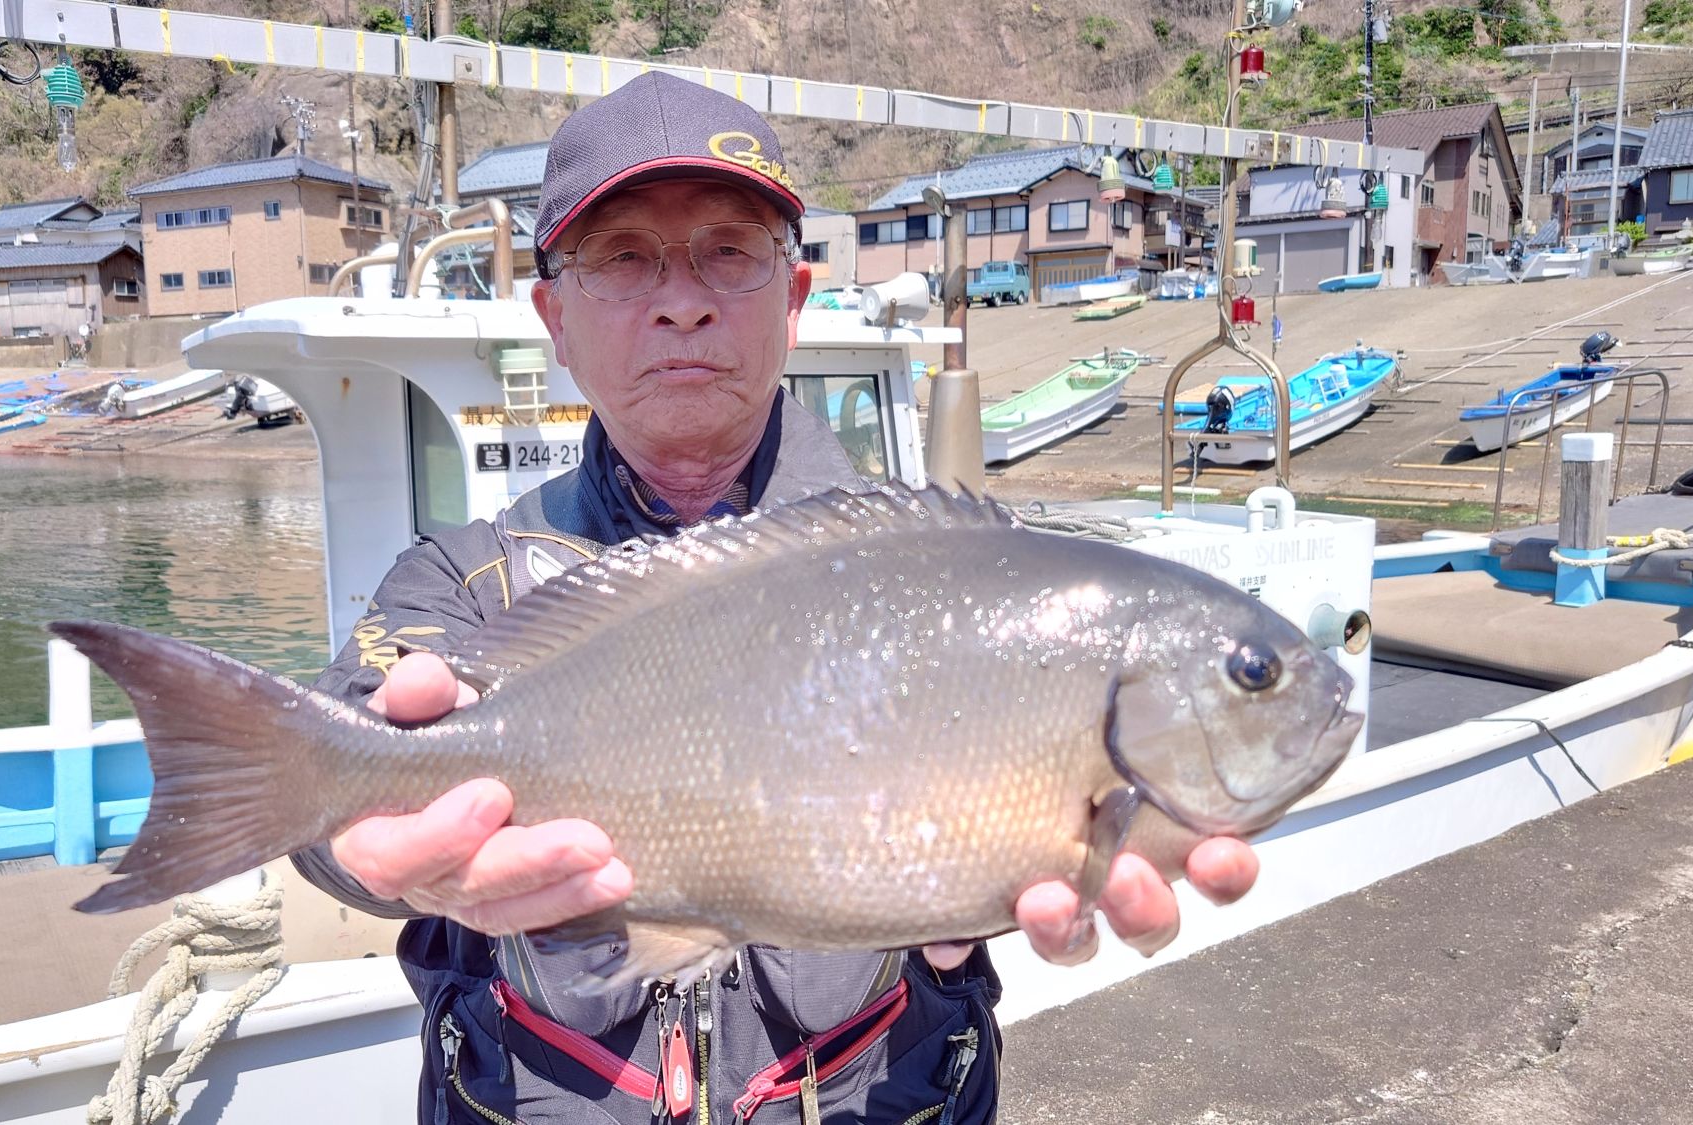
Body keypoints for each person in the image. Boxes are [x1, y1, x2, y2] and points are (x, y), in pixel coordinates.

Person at [293, 72, 1260, 1122]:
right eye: (621, 257)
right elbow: (344, 739)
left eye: (730, 251)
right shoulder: (464, 580)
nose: (682, 297)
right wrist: (352, 833)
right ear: (554, 319)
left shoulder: (948, 572)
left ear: (791, 301)